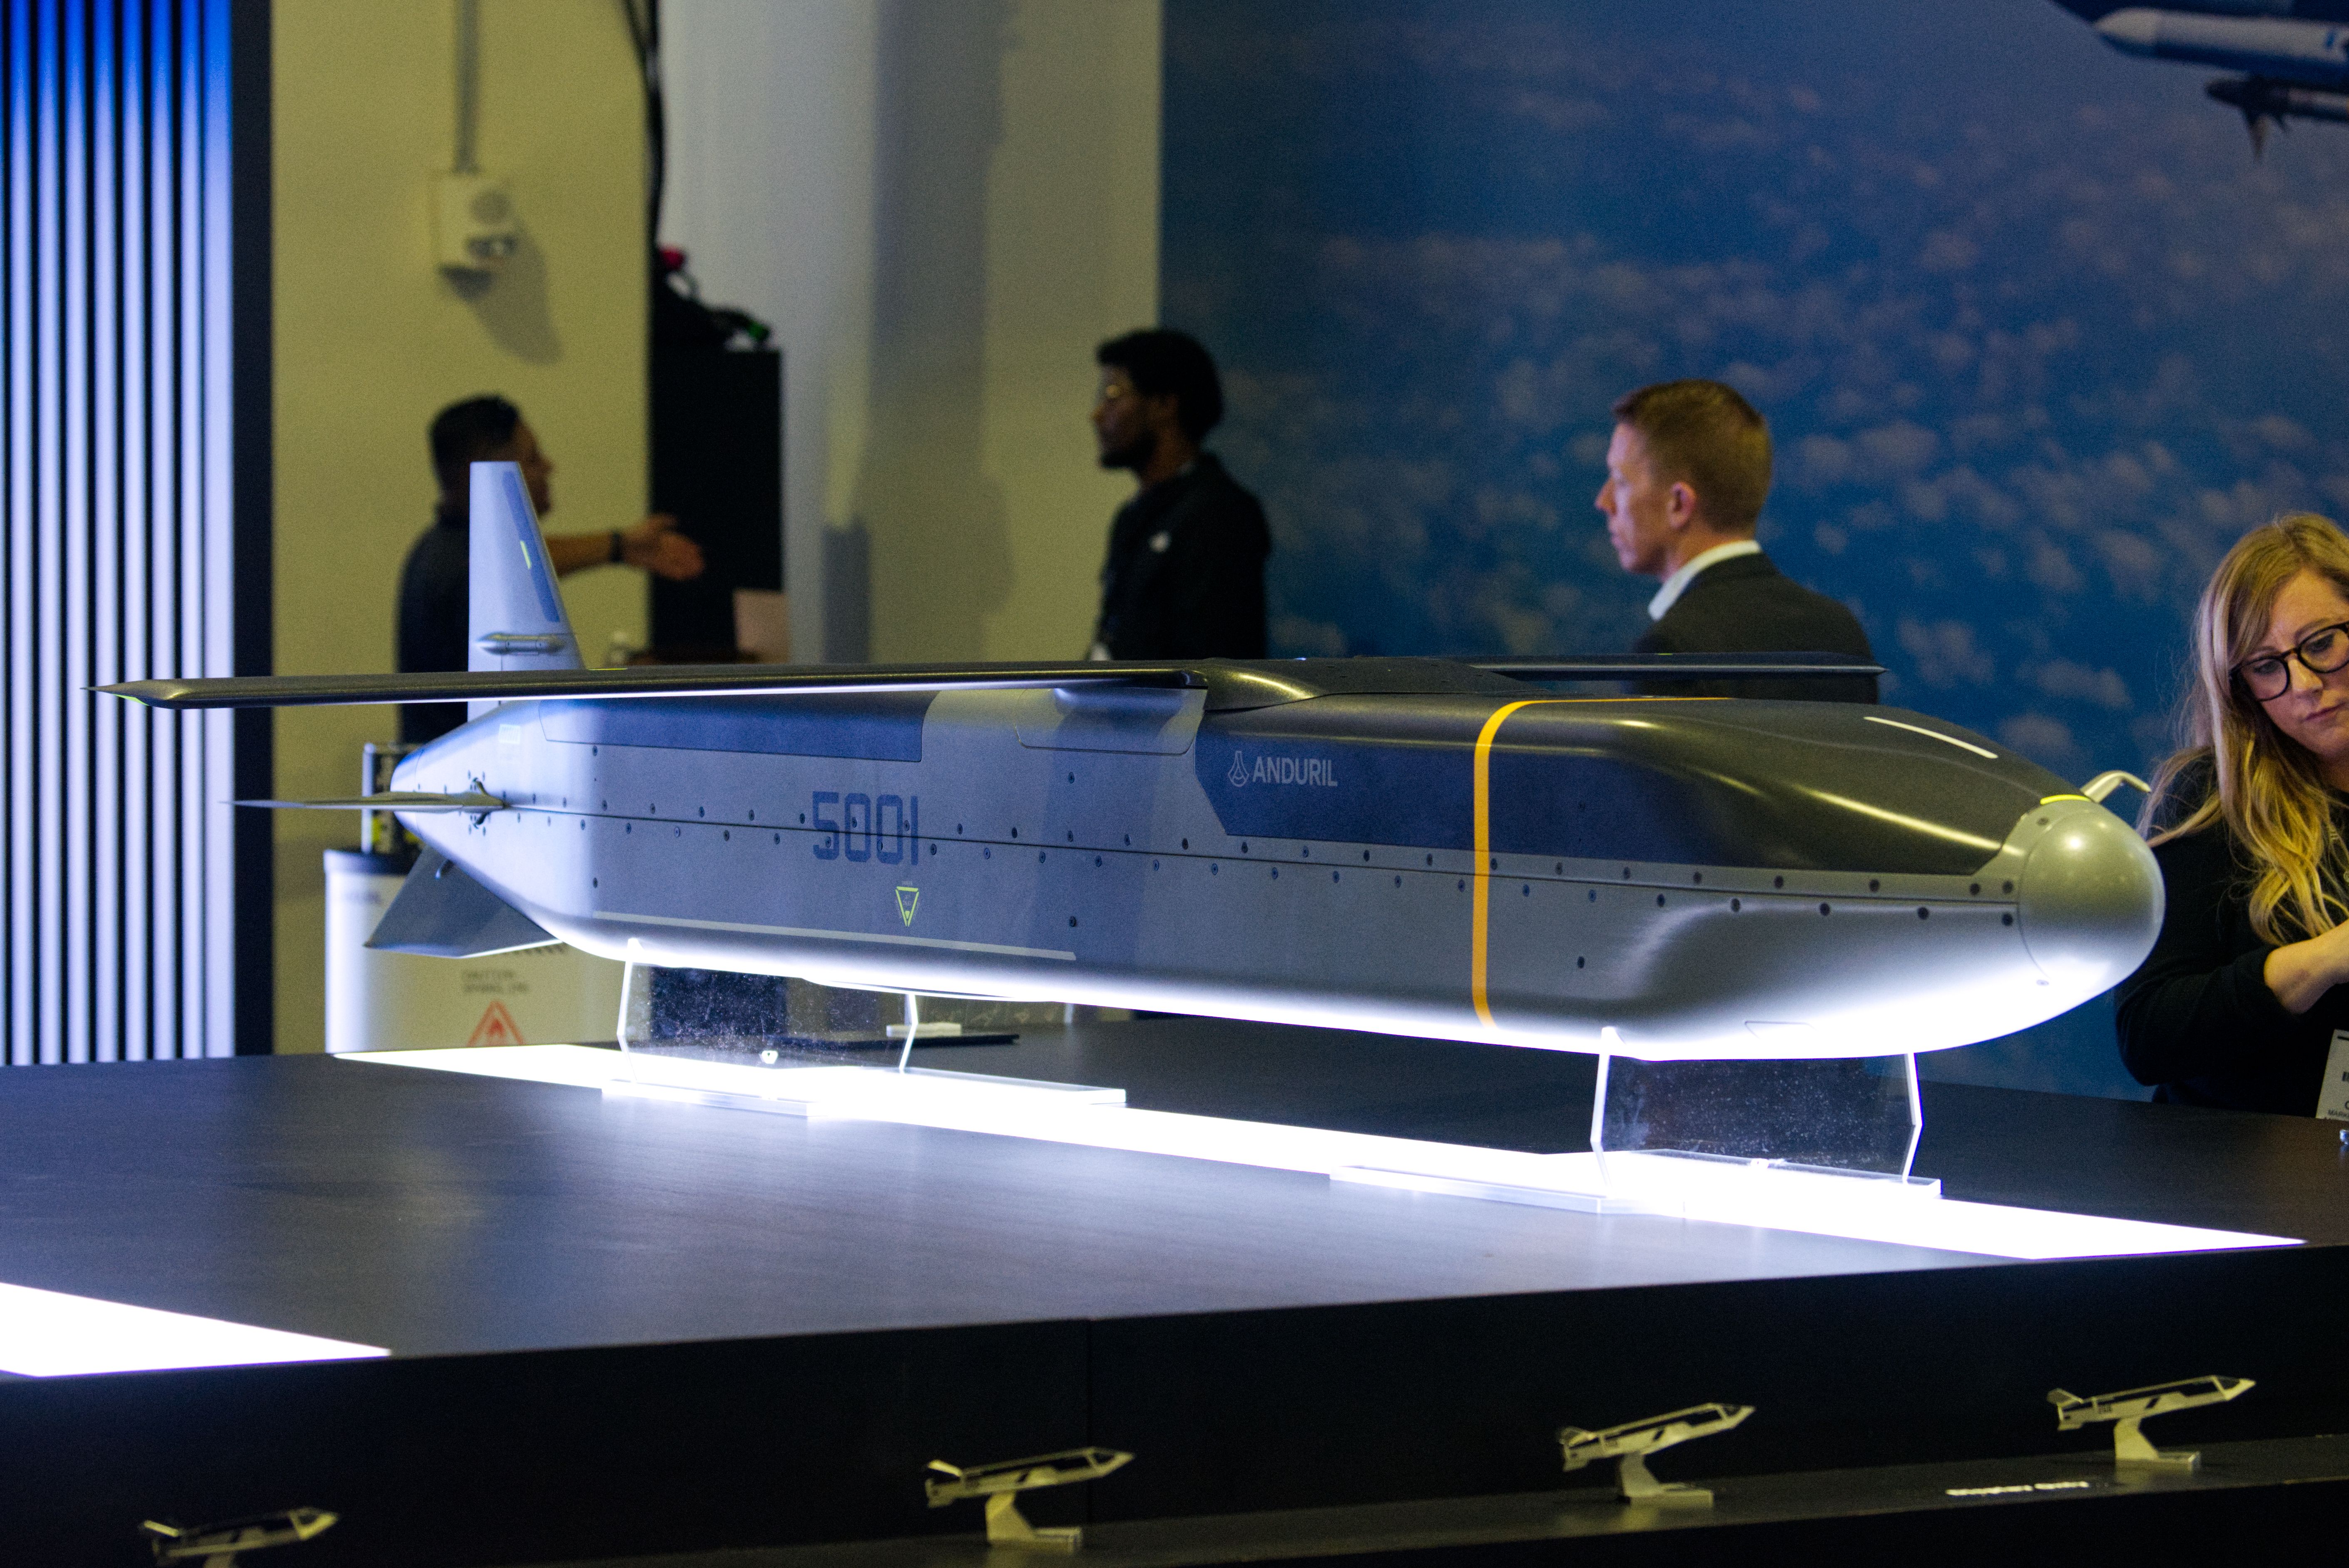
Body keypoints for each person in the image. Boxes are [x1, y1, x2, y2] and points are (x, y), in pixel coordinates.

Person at [2116, 513, 2349, 1115]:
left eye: (2320, 643)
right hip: (2229, 1183)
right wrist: (2324, 960)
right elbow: (2148, 1036)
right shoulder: (2210, 797)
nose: (2302, 684)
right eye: (2266, 666)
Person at [397, 396, 705, 743]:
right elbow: (510, 564)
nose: (548, 467)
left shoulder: (441, 552)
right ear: (488, 471)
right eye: (531, 459)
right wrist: (619, 546)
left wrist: (621, 547)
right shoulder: (459, 568)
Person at [1597, 379, 1876, 702]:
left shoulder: (1672, 651)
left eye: (1620, 481)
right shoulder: (1840, 631)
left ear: (1679, 505)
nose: (1604, 501)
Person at [1087, 329, 1270, 661]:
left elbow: (1210, 671)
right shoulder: (1134, 515)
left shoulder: (1219, 514)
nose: (1098, 414)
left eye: (1113, 395)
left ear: (1164, 405)